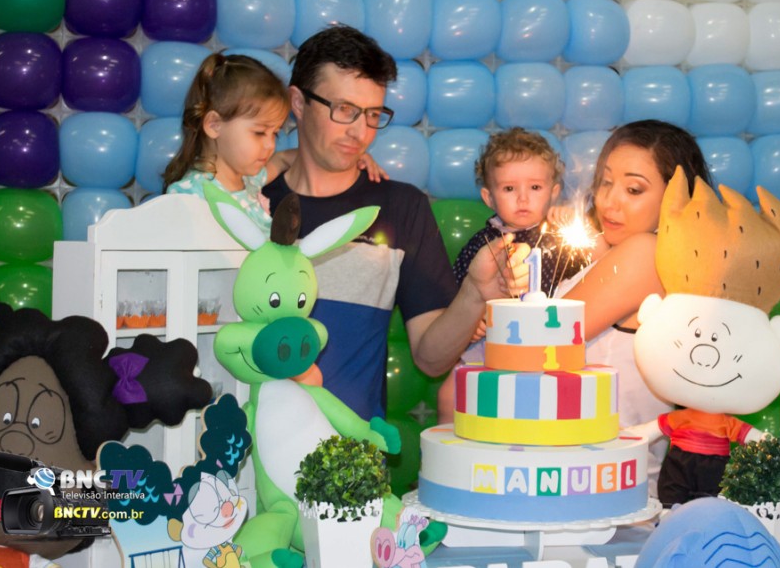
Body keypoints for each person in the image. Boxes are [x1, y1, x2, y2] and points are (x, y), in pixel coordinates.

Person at [262, 25, 524, 420]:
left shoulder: (401, 206)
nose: (360, 131)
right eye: (344, 109)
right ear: (298, 102)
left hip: (353, 451)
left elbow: (431, 359)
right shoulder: (251, 201)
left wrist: (474, 294)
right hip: (250, 443)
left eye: (372, 114)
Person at [555, 119, 711, 484]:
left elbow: (543, 337)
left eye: (634, 189)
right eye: (605, 182)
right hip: (591, 470)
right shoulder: (633, 252)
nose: (609, 201)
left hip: (603, 478)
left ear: (675, 199)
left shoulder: (646, 251)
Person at [438, 127, 586, 423]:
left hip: (548, 349)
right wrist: (472, 323)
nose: (522, 198)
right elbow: (456, 299)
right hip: (489, 347)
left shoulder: (562, 238)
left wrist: (578, 225)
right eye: (508, 189)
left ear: (554, 192)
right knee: (449, 394)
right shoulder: (481, 245)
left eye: (535, 187)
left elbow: (597, 272)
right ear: (489, 197)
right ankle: (452, 452)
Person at [163, 52, 386, 232]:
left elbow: (284, 159)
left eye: (275, 134)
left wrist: (353, 154)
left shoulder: (250, 180)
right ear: (214, 125)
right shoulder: (190, 196)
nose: (270, 145)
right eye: (260, 133)